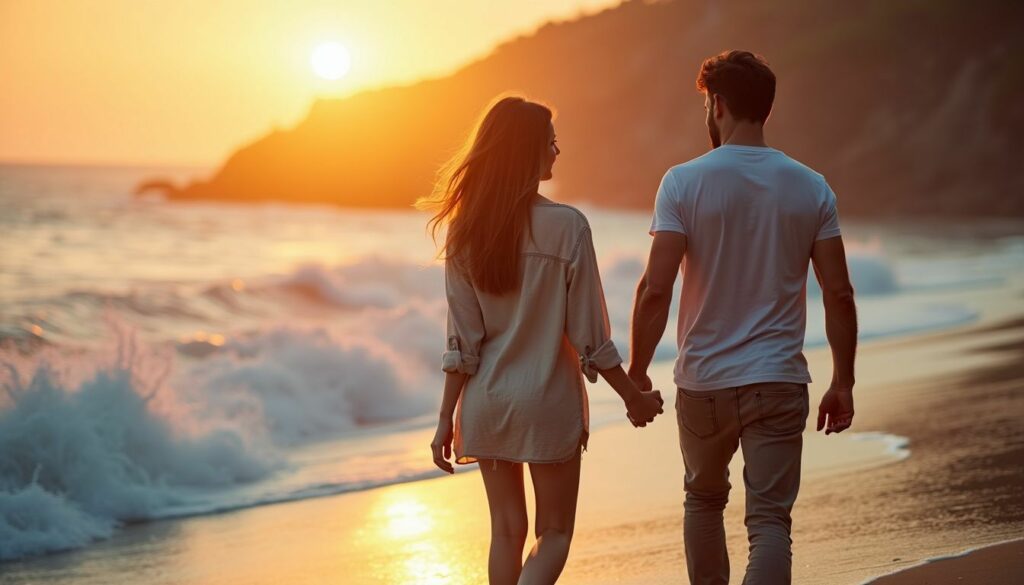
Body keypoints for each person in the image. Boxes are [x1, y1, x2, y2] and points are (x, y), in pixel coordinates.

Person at [627, 50, 858, 585]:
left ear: (718, 104)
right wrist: (843, 381)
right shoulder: (811, 186)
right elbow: (839, 293)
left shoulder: (682, 183)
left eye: (708, 104)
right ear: (766, 110)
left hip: (704, 382)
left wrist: (638, 373)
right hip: (778, 379)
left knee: (704, 502)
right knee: (770, 521)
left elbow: (654, 289)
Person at [421, 94, 664, 585]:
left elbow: (462, 344)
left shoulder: (465, 233)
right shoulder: (567, 226)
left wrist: (446, 417)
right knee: (554, 532)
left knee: (506, 534)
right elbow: (590, 336)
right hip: (547, 401)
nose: (558, 152)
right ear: (527, 151)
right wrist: (633, 397)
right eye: (551, 143)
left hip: (486, 401)